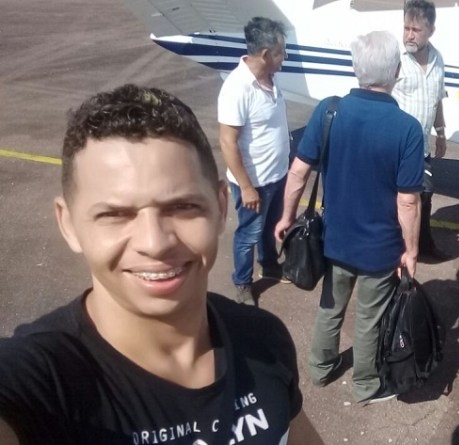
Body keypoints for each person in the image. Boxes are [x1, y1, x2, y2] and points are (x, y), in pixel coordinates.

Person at [0, 85, 306, 444]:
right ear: (68, 225)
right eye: (115, 214)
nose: (155, 243)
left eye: (183, 207)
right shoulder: (38, 378)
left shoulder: (263, 338)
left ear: (222, 207)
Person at [275, 30, 424, 404]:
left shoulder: (329, 110)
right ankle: (365, 384)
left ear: (357, 69)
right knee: (369, 318)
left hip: (335, 239)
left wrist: (286, 217)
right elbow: (408, 202)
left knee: (330, 307)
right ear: (395, 72)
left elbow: (298, 172)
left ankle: (320, 369)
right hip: (380, 248)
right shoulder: (407, 128)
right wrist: (411, 250)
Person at [218, 16, 291, 305]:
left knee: (270, 226)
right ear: (265, 54)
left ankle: (270, 265)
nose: (285, 57)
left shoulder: (271, 78)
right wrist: (247, 188)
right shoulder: (237, 88)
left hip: (277, 175)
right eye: (281, 52)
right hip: (254, 183)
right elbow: (228, 142)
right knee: (248, 234)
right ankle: (243, 283)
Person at [392, 0, 449, 261]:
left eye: (416, 30)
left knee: (425, 195)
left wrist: (441, 131)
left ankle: (423, 244)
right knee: (401, 198)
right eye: (406, 28)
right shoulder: (397, 59)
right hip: (397, 147)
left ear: (431, 31)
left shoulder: (438, 59)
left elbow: (437, 99)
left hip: (422, 146)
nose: (409, 35)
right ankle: (397, 250)